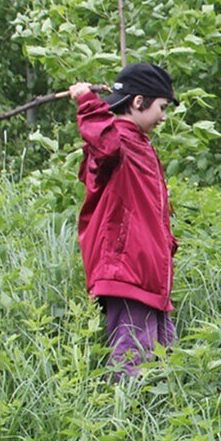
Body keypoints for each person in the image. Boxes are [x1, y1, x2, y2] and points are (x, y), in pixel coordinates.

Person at [69, 62, 178, 382]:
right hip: (127, 271)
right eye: (161, 107)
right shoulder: (116, 141)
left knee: (162, 357)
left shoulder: (138, 143)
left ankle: (153, 425)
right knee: (133, 363)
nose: (164, 116)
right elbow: (104, 143)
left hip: (146, 274)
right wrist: (89, 103)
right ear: (138, 101)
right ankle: (125, 421)